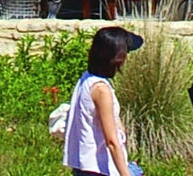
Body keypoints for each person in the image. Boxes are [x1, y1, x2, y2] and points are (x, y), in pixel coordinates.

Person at [61, 25, 142, 176]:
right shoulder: (101, 90)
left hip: (84, 166)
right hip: (99, 169)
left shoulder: (87, 79)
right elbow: (111, 142)